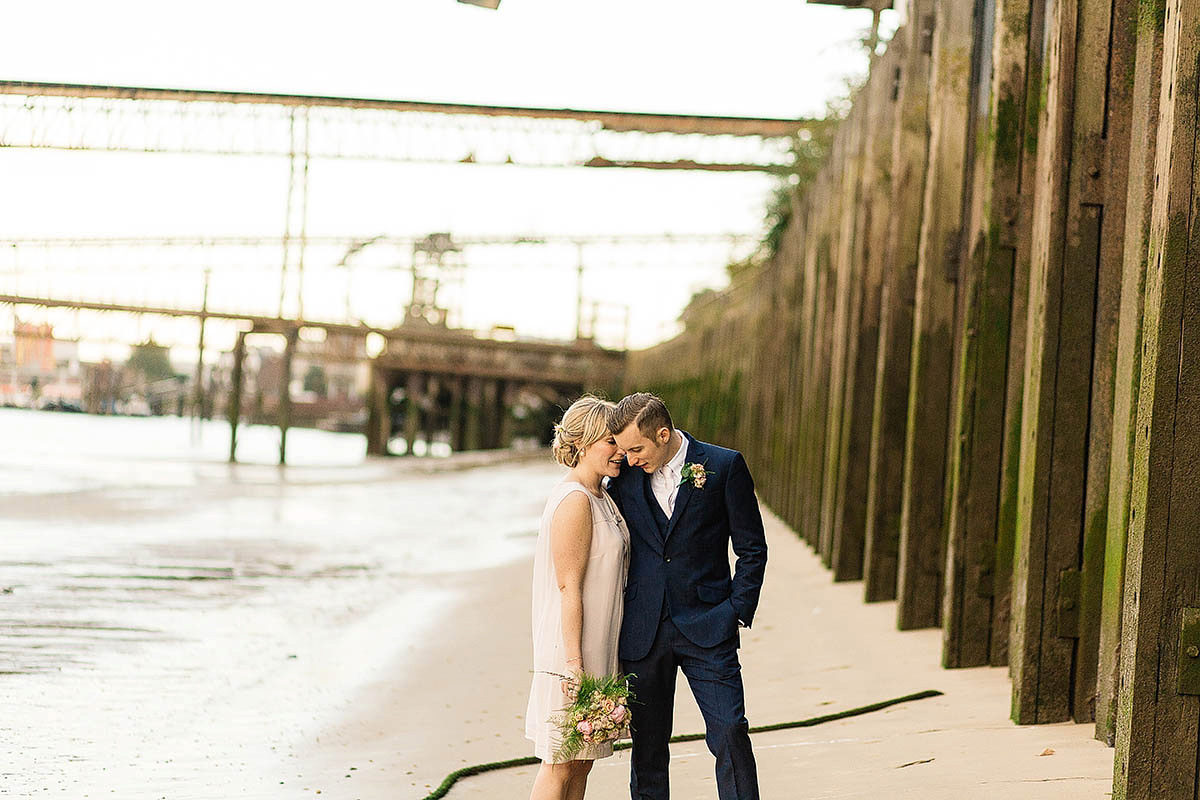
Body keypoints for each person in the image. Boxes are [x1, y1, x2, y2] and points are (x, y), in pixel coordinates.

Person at [606, 392, 767, 800]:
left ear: (663, 434)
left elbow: (752, 549)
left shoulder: (724, 466)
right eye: (623, 450)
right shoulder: (623, 478)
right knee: (647, 752)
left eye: (636, 449)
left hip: (709, 625)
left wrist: (735, 610)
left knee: (730, 732)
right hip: (643, 631)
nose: (629, 459)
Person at [526, 395, 631, 800]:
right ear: (585, 443)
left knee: (582, 760)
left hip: (599, 643)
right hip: (573, 649)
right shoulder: (575, 500)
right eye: (610, 441)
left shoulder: (603, 494)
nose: (619, 451)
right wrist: (575, 665)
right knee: (559, 761)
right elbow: (569, 587)